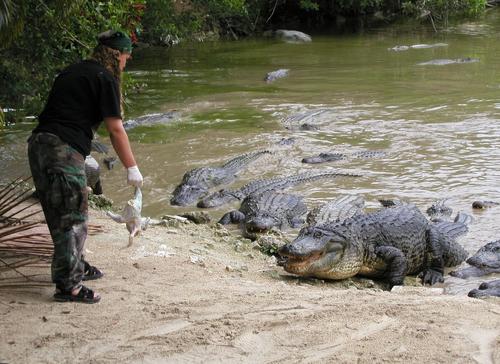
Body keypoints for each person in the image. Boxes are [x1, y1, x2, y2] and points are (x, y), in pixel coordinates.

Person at [27, 30, 143, 304]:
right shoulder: (105, 78)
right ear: (116, 55)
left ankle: (74, 266)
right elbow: (116, 129)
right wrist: (132, 167)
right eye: (126, 57)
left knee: (59, 214)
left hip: (38, 145)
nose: (126, 63)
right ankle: (69, 287)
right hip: (62, 149)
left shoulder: (73, 71)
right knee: (74, 218)